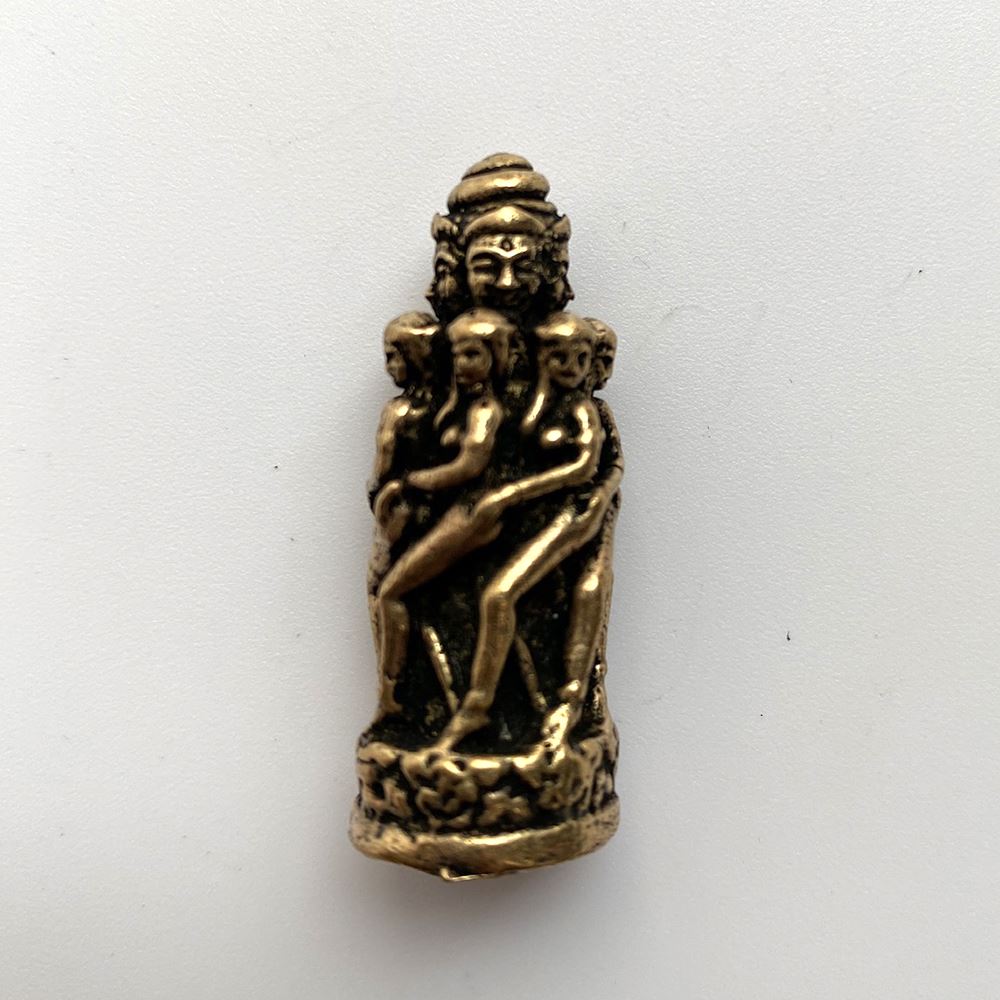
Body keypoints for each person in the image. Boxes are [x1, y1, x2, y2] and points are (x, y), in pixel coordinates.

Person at [435, 312, 606, 748]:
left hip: (572, 513)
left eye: (581, 358)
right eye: (560, 358)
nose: (571, 368)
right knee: (483, 591)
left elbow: (583, 468)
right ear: (541, 358)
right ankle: (496, 704)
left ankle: (478, 708)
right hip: (531, 516)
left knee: (499, 595)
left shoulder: (582, 409)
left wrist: (512, 493)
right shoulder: (528, 404)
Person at [372, 308, 513, 719]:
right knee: (417, 597)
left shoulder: (485, 410)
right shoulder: (457, 404)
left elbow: (468, 466)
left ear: (496, 357)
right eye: (456, 355)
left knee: (391, 593)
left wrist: (408, 483)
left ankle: (392, 697)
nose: (461, 365)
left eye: (473, 354)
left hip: (473, 514)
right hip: (456, 512)